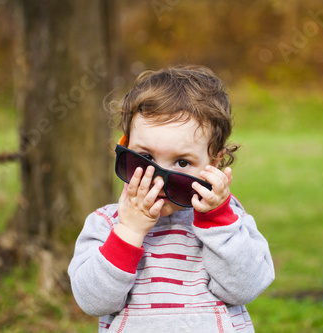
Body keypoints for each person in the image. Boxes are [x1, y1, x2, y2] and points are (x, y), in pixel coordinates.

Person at [68, 65, 274, 332]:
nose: (158, 179)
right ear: (125, 147)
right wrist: (128, 231)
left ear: (214, 162)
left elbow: (246, 287)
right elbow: (92, 301)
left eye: (182, 162)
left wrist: (216, 219)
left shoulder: (229, 221)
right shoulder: (106, 224)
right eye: (146, 157)